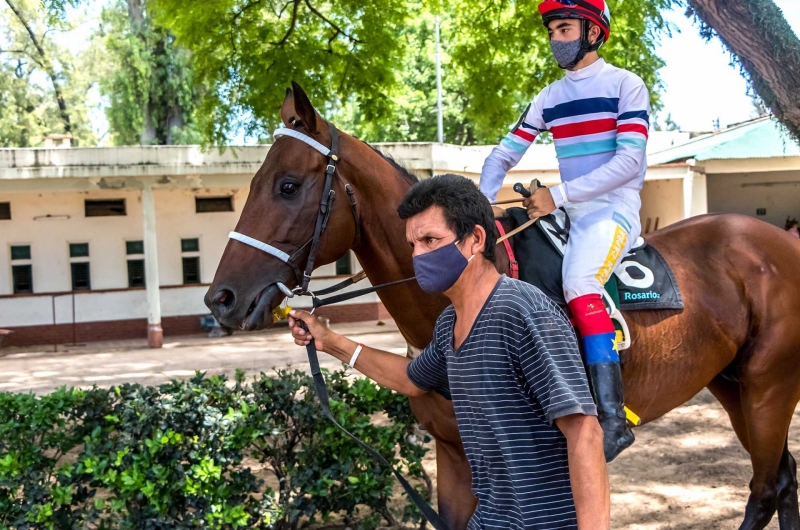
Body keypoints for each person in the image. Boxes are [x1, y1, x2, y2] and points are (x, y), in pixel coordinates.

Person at [289, 174, 609, 530]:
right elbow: (411, 379)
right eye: (413, 245)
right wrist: (328, 340)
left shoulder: (523, 311)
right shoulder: (449, 325)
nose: (418, 256)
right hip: (488, 521)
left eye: (430, 240)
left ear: (475, 239)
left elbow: (584, 432)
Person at [479, 0, 649, 462]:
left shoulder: (626, 85)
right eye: (552, 30)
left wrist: (558, 195)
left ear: (593, 32)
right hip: (567, 211)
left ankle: (612, 420)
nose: (557, 38)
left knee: (577, 282)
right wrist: (476, 202)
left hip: (612, 209)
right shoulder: (548, 98)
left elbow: (630, 161)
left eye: (565, 27)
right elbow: (501, 156)